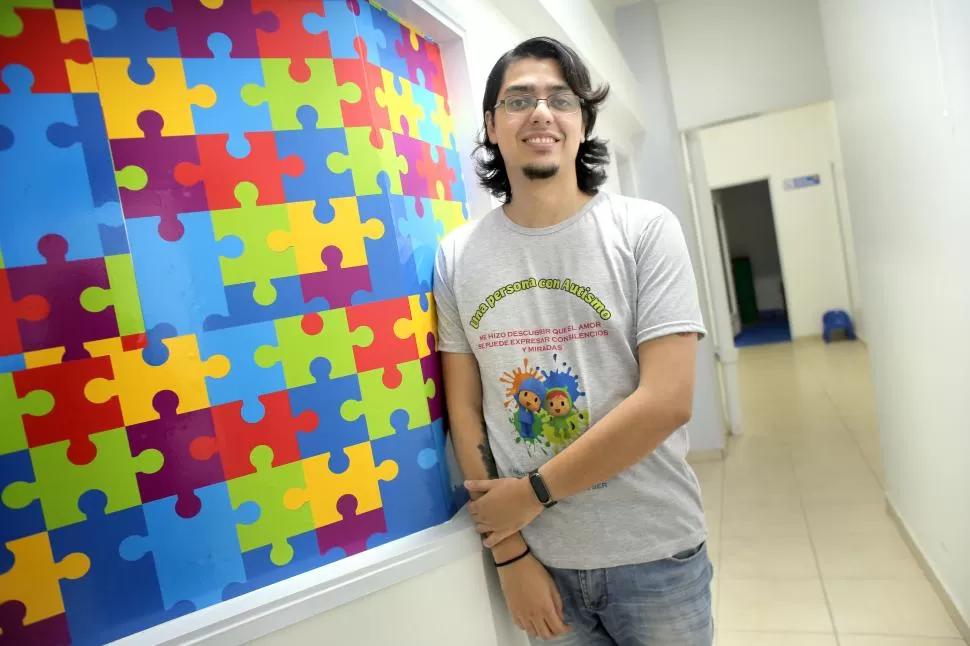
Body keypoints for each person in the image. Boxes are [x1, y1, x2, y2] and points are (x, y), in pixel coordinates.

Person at [432, 36, 714, 645]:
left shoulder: (644, 230)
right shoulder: (456, 256)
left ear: (582, 122)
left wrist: (532, 495)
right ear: (491, 124)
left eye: (560, 98)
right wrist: (509, 554)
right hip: (541, 564)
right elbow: (465, 410)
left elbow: (668, 400)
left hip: (655, 552)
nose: (540, 112)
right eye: (518, 99)